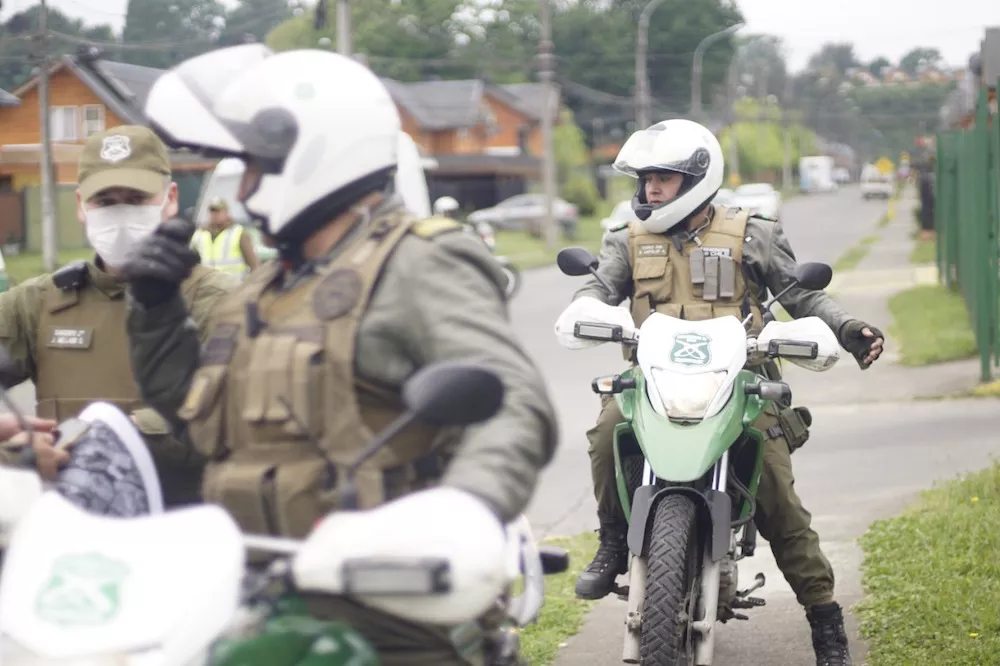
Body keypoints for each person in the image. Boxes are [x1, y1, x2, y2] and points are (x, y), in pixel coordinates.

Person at [120, 44, 557, 666]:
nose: (241, 191)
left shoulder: (419, 260)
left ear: (308, 156)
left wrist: (465, 509)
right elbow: (200, 420)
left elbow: (511, 400)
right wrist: (155, 310)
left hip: (386, 612)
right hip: (250, 599)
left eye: (250, 168)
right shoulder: (271, 284)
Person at [567, 119, 883, 666]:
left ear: (696, 179)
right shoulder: (626, 238)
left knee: (778, 497)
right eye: (645, 181)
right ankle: (614, 539)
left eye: (662, 179)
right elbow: (595, 292)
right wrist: (582, 313)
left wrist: (848, 328)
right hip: (653, 381)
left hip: (740, 382)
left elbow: (801, 296)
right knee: (604, 432)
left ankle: (824, 619)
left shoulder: (752, 233)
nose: (651, 191)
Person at [0, 125, 238, 506]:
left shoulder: (222, 302)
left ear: (170, 198)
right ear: (81, 205)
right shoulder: (37, 303)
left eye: (136, 198)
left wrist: (100, 437)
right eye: (105, 200)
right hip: (71, 530)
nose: (121, 212)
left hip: (184, 526)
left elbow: (230, 412)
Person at [190, 196, 261, 278]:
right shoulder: (199, 235)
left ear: (226, 212)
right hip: (207, 287)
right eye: (212, 211)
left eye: (218, 211)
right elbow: (191, 264)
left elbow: (254, 265)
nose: (215, 214)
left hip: (233, 287)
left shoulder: (238, 233)